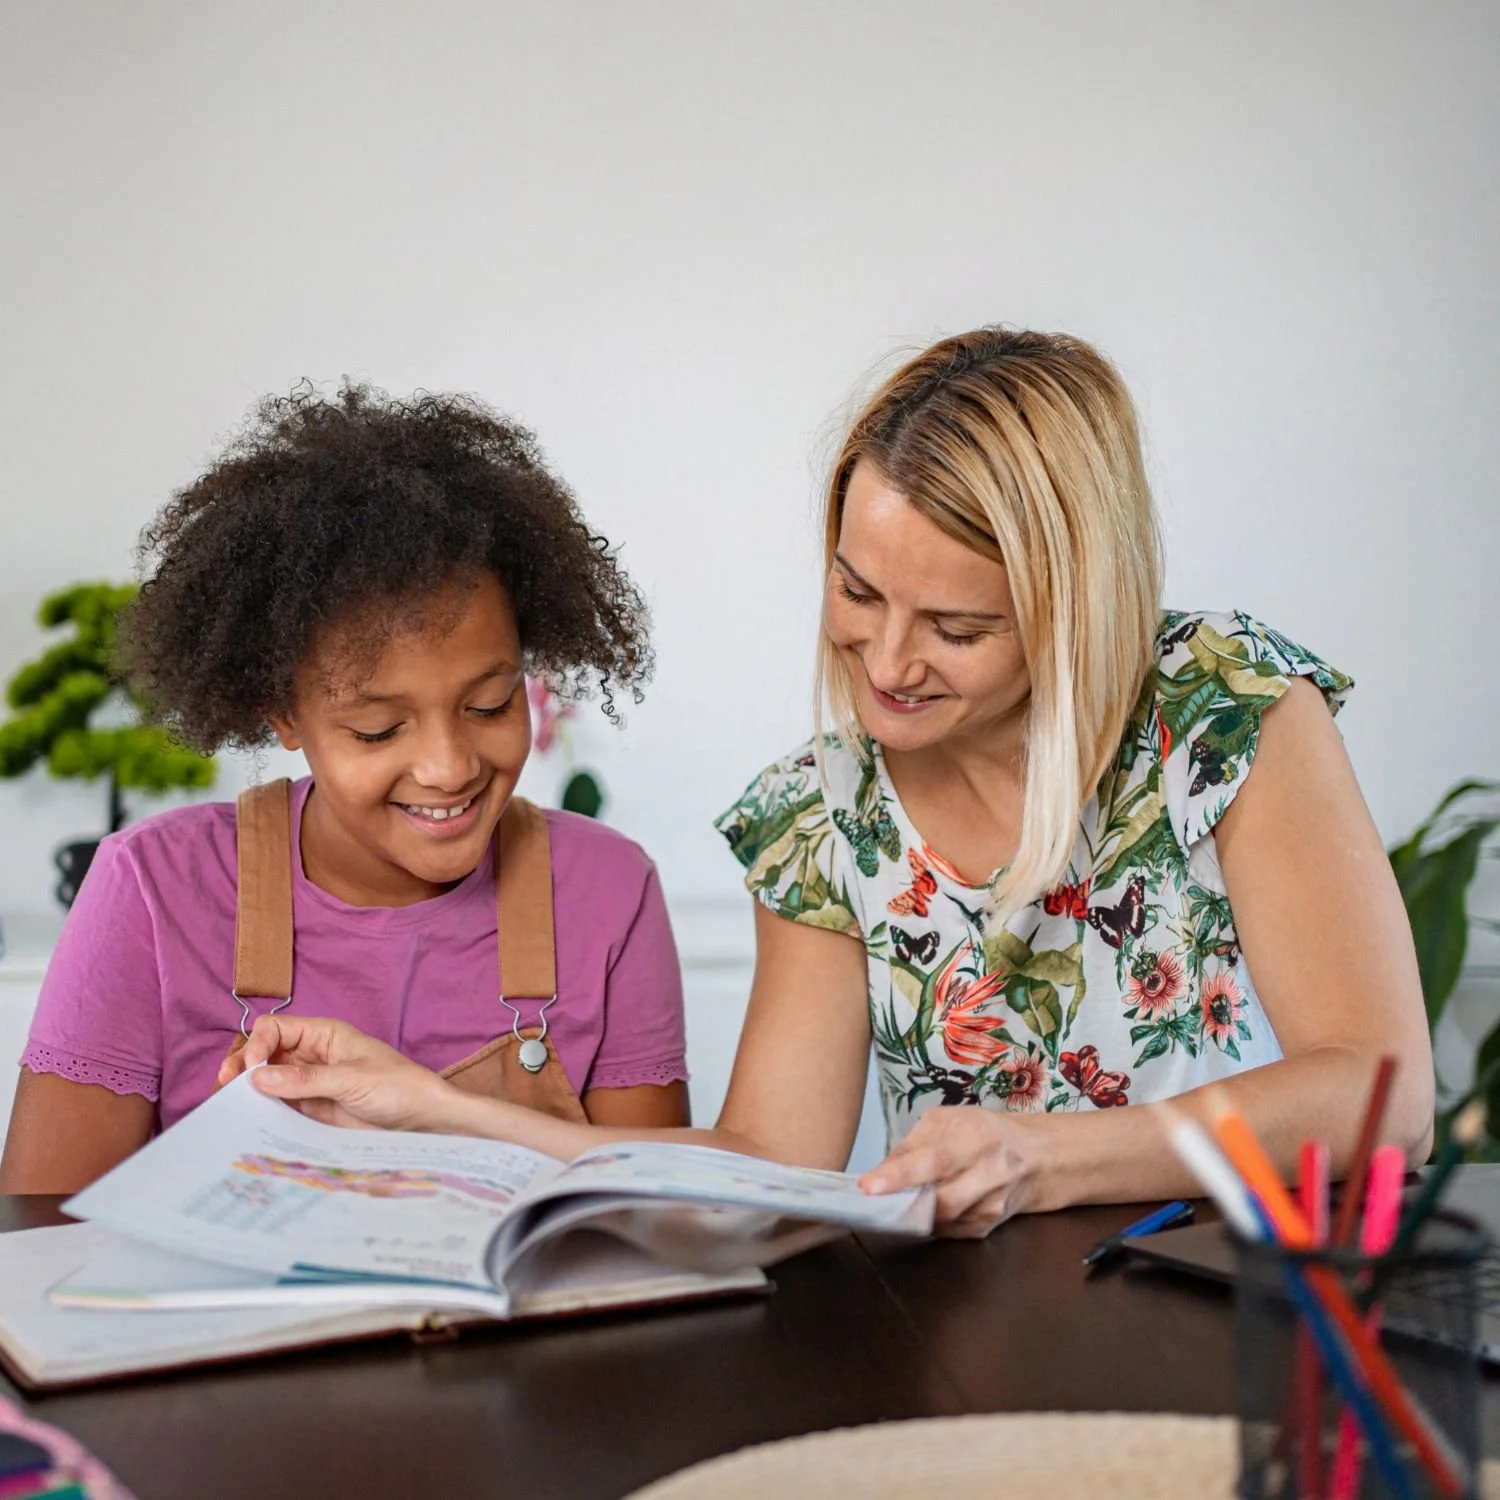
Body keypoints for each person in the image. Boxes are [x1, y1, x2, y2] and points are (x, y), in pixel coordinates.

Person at [223, 329, 1434, 1236]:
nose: (888, 662)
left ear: (1077, 606)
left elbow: (1382, 1100)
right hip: (982, 1353)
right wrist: (428, 1108)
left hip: (1265, 1308)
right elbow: (764, 1170)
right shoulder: (824, 819)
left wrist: (1043, 1159)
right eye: (858, 592)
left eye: (956, 627)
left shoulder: (1225, 708)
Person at [0, 384, 689, 1194]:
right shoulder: (153, 890)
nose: (448, 767)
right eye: (378, 729)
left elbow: (658, 1218)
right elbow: (40, 1238)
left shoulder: (608, 891)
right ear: (282, 714)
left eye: (489, 705)